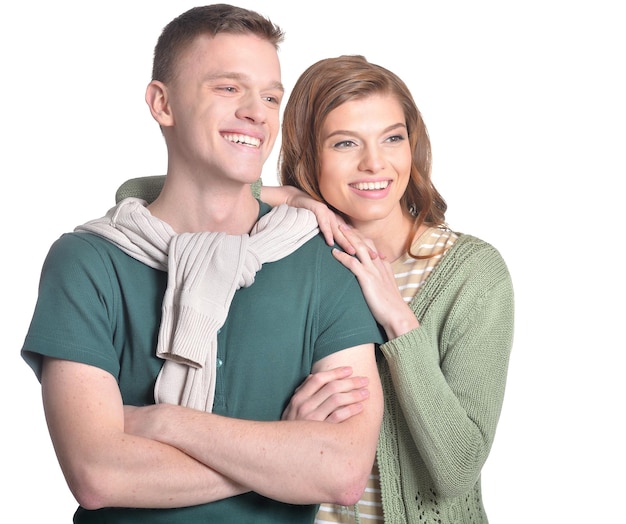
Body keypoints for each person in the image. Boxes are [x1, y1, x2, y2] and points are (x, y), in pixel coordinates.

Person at [20, 7, 384, 524]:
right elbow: (98, 475)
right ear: (162, 103)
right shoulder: (87, 262)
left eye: (271, 96)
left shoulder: (327, 261)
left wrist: (164, 423)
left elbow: (343, 471)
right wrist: (285, 454)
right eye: (228, 88)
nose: (258, 113)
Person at [262, 54, 515, 523]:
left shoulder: (470, 274)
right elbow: (138, 195)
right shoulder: (280, 254)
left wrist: (400, 321)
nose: (375, 163)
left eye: (392, 138)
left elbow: (457, 469)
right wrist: (288, 196)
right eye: (344, 143)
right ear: (306, 156)